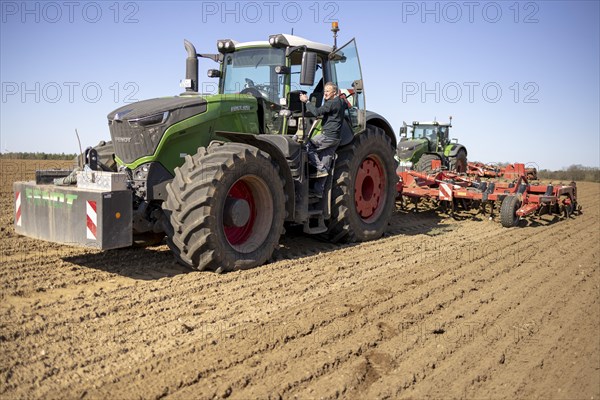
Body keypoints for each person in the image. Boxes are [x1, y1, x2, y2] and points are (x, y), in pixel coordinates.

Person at [299, 82, 345, 197]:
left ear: (334, 92)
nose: (325, 94)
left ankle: (319, 169)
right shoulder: (340, 102)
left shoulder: (331, 104)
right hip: (336, 138)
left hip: (327, 136)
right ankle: (318, 191)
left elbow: (316, 112)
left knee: (307, 146)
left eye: (328, 91)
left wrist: (307, 101)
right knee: (325, 161)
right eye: (324, 91)